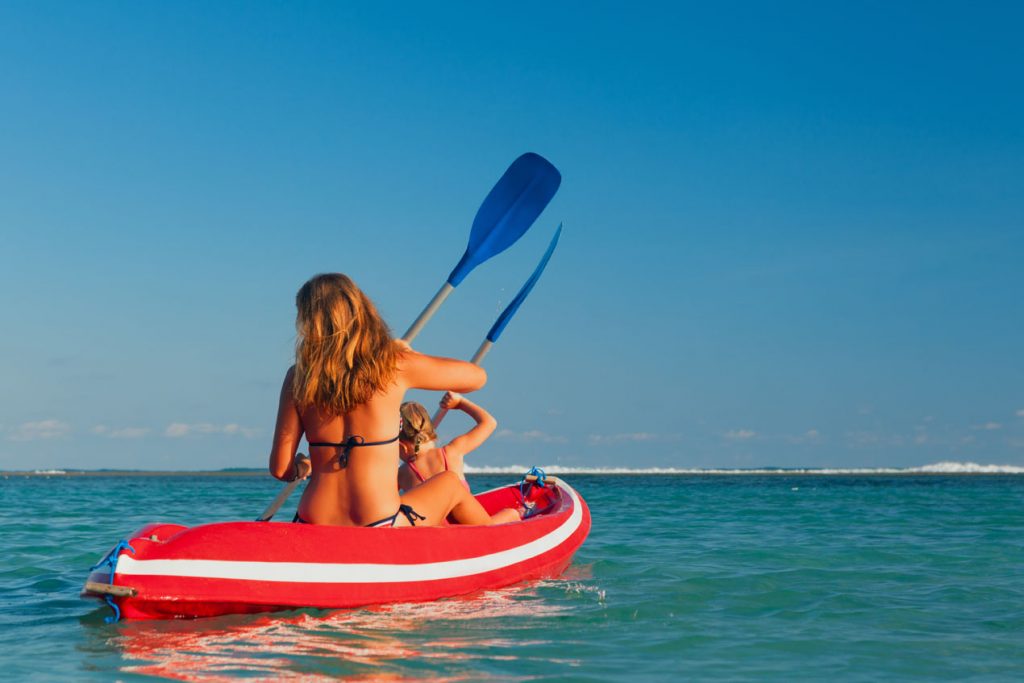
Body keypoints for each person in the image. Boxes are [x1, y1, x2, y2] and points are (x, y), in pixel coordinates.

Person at [268, 273, 520, 527]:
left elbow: (280, 470)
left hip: (312, 520)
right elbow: (477, 378)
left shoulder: (299, 376)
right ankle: (494, 530)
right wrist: (411, 355)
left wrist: (301, 467)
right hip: (378, 522)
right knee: (450, 483)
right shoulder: (393, 365)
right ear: (361, 312)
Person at [398, 392, 494, 493]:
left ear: (402, 447)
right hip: (464, 508)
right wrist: (461, 403)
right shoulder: (452, 451)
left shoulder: (402, 474)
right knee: (509, 510)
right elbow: (489, 422)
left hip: (428, 509)